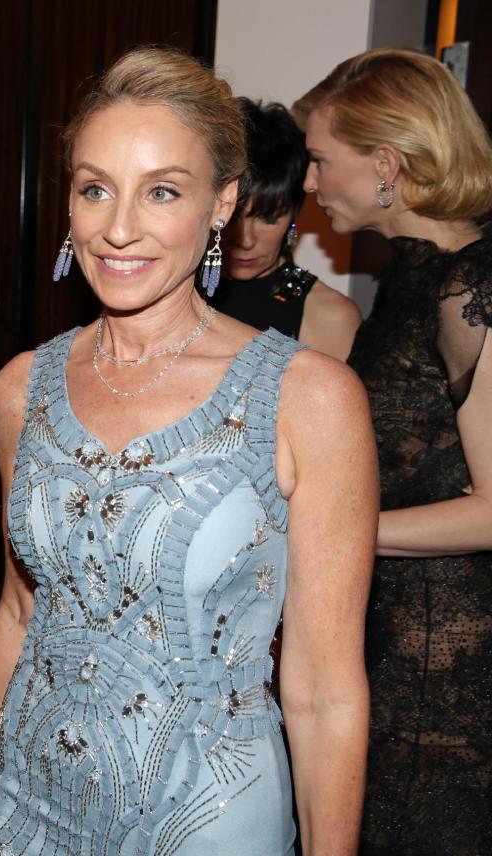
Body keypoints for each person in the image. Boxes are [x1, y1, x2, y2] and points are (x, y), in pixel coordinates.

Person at [0, 47, 377, 855]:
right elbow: (22, 609)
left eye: (162, 191)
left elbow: (326, 692)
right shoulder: (23, 388)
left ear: (223, 202)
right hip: (21, 806)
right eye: (95, 189)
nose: (119, 228)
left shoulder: (309, 397)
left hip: (206, 819)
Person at [294, 48, 492, 856]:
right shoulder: (411, 281)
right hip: (395, 639)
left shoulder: (469, 287)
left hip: (445, 677)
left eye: (318, 161)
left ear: (386, 163)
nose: (309, 184)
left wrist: (334, 531)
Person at [211, 98, 361, 359]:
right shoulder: (177, 290)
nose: (246, 240)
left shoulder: (329, 316)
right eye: (233, 218)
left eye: (268, 218)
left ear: (294, 213)